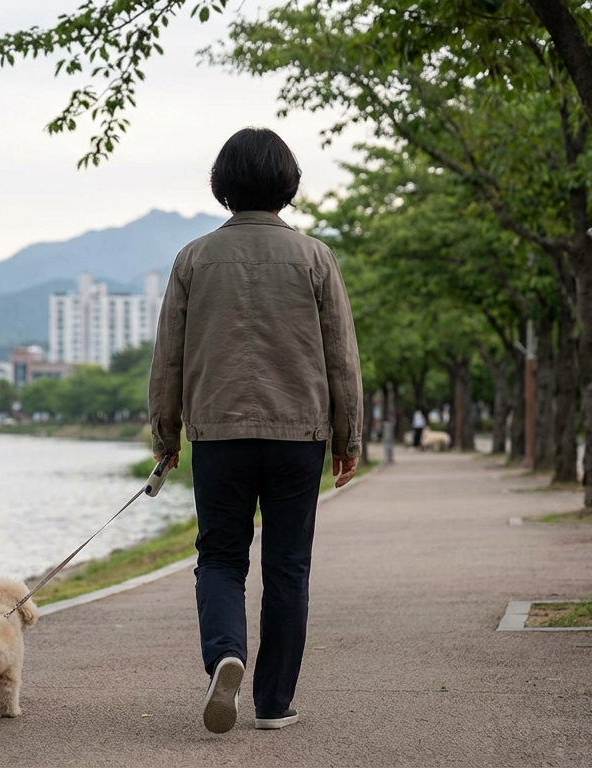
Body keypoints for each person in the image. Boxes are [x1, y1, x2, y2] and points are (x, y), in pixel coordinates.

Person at [148, 127, 362, 734]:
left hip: (218, 433)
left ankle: (225, 654)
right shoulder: (315, 256)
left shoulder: (193, 258)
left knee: (220, 556)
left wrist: (165, 435)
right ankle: (273, 704)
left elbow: (169, 358)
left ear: (222, 185)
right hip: (299, 433)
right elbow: (341, 357)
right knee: (288, 566)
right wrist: (348, 439)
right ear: (287, 184)